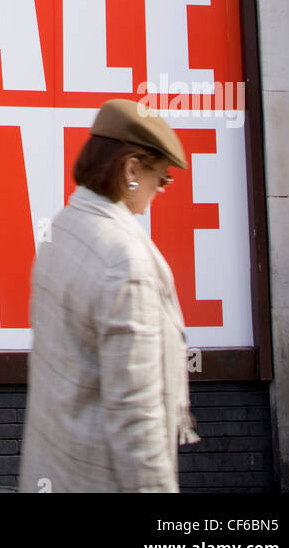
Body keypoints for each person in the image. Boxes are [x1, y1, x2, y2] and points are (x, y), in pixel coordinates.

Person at [19, 98, 200, 494]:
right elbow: (137, 422)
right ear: (132, 169)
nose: (163, 188)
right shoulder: (125, 261)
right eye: (162, 176)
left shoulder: (63, 228)